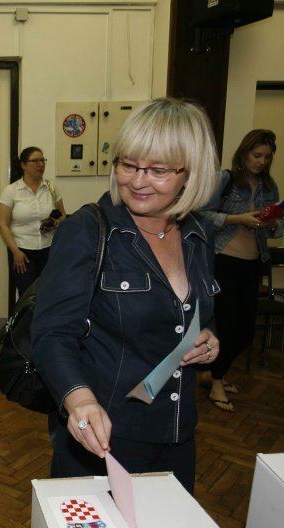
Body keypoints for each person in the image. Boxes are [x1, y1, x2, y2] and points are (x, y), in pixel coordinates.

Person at [31, 98, 221, 494]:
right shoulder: (88, 231)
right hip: (103, 434)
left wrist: (207, 341)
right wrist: (79, 400)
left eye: (158, 170)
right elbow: (51, 335)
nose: (137, 181)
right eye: (128, 165)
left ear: (191, 172)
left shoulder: (198, 235)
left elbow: (192, 313)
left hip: (176, 431)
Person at [197, 129, 284, 411]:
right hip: (223, 260)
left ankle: (212, 371)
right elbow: (201, 216)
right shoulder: (227, 180)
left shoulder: (270, 188)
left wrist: (272, 224)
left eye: (266, 157)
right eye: (256, 155)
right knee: (226, 325)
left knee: (246, 330)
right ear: (244, 153)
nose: (261, 162)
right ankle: (217, 381)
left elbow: (279, 225)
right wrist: (237, 218)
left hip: (252, 261)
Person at [0, 146, 66, 303]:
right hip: (22, 253)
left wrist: (55, 221)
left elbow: (63, 215)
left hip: (49, 250)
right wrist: (15, 252)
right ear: (23, 165)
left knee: (49, 294)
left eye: (42, 160)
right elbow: (3, 224)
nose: (40, 164)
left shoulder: (51, 188)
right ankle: (25, 327)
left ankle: (45, 328)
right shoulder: (11, 191)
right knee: (28, 297)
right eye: (35, 161)